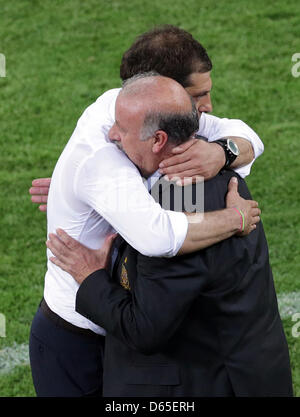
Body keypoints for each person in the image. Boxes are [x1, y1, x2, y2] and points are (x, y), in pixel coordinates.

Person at [29, 26, 262, 397]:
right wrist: (236, 220)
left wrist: (222, 152)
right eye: (198, 96)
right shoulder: (104, 156)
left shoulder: (148, 114)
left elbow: (247, 135)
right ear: (158, 89)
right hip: (78, 336)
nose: (207, 108)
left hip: (123, 328)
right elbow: (157, 237)